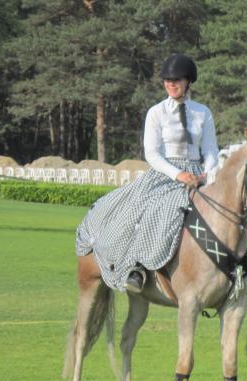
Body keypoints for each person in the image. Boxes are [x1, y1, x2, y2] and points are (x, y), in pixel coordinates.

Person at [75, 53, 219, 293]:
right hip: (165, 174)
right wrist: (178, 175)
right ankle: (137, 267)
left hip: (199, 174)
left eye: (176, 80)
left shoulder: (202, 113)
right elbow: (152, 154)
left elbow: (211, 149)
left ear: (188, 82)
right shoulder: (157, 113)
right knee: (147, 210)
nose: (171, 84)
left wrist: (208, 173)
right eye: (167, 80)